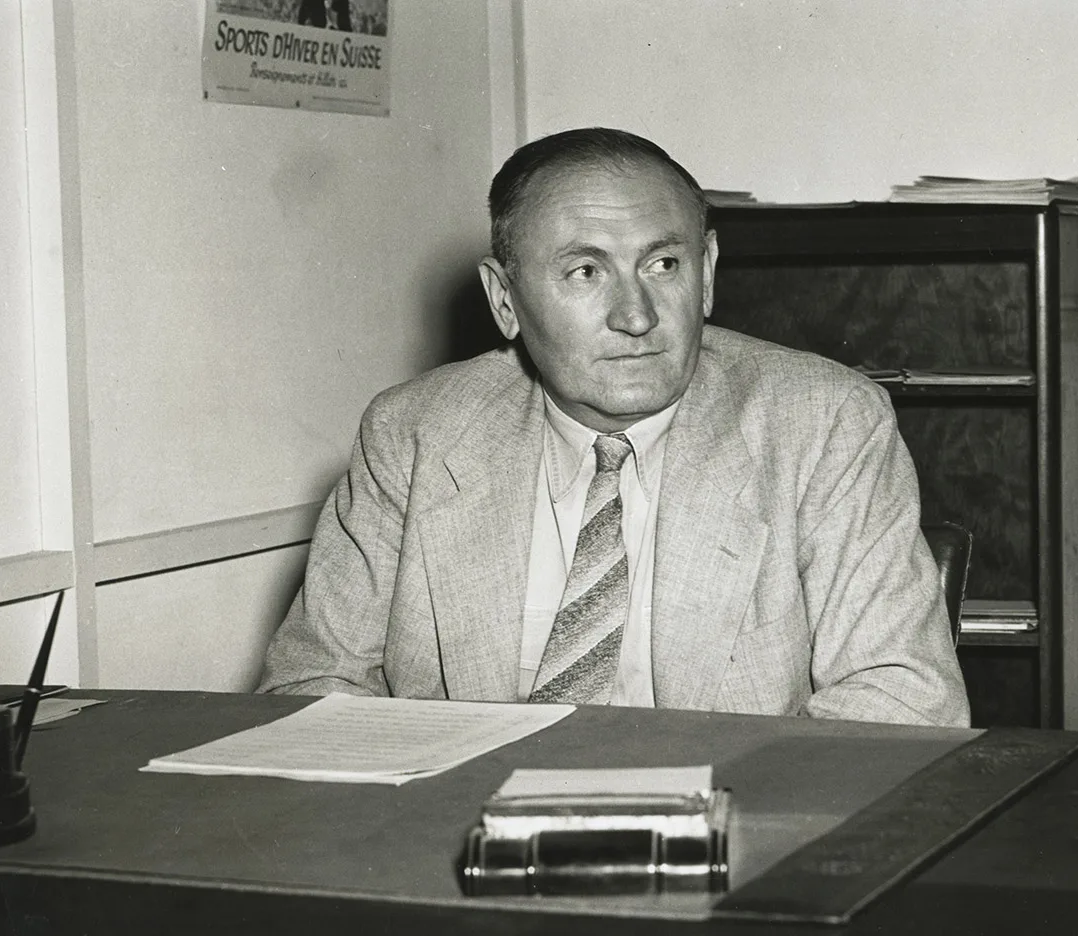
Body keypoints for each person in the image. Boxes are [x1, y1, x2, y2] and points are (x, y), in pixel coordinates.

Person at [258, 127, 970, 726]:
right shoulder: (413, 433)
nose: (637, 316)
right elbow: (309, 692)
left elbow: (905, 701)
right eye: (585, 273)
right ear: (504, 300)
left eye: (663, 264)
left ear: (709, 273)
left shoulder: (823, 421)